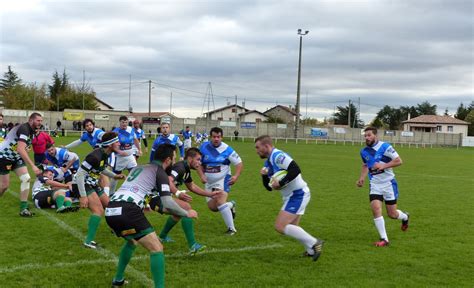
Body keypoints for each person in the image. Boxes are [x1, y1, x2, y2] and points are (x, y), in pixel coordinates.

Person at [105, 144, 198, 288]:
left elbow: (149, 195)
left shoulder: (138, 167)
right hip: (128, 210)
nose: (174, 161)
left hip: (111, 209)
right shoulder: (159, 171)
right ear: (168, 159)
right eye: (174, 158)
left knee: (132, 241)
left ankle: (118, 280)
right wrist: (187, 213)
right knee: (157, 248)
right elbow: (167, 202)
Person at [255, 135, 324, 261]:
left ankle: (314, 242)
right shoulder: (268, 162)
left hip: (297, 194)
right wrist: (264, 176)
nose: (256, 151)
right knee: (293, 226)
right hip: (291, 196)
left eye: (258, 147)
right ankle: (310, 250)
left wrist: (281, 183)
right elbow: (269, 188)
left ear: (266, 146)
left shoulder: (277, 156)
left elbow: (295, 169)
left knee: (280, 226)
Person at [158, 147, 223, 253]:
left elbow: (192, 186)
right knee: (186, 208)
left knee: (178, 213)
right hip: (156, 196)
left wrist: (210, 194)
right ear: (189, 158)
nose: (199, 163)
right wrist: (177, 193)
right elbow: (168, 180)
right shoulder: (180, 167)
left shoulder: (186, 169)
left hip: (161, 195)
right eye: (198, 159)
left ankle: (162, 237)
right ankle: (193, 246)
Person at [356, 127, 410, 247]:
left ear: (375, 135)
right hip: (375, 184)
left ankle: (405, 216)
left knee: (392, 214)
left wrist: (384, 166)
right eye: (365, 136)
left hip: (389, 183)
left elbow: (399, 161)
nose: (367, 138)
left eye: (369, 135)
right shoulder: (364, 151)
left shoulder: (385, 147)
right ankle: (384, 239)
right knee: (375, 209)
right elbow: (365, 165)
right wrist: (362, 178)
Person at [72, 132, 125, 249]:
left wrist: (114, 176)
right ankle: (88, 241)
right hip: (82, 184)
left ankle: (115, 229)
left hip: (92, 183)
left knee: (109, 206)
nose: (119, 143)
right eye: (117, 141)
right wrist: (83, 196)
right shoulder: (94, 156)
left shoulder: (105, 154)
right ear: (110, 144)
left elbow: (102, 168)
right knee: (98, 211)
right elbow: (80, 175)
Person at [198, 127, 242, 235]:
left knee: (219, 200)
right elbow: (198, 163)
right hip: (209, 181)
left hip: (223, 179)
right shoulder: (203, 147)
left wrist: (236, 176)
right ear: (210, 137)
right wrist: (201, 175)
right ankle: (230, 205)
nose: (216, 139)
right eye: (214, 137)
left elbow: (239, 163)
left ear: (222, 137)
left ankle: (231, 229)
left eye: (218, 137)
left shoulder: (228, 150)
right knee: (213, 207)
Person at [0, 112, 43, 216]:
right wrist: (33, 166)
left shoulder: (32, 131)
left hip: (16, 158)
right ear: (31, 120)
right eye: (38, 120)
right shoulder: (24, 128)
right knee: (4, 186)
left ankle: (24, 209)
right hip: (4, 157)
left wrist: (27, 148)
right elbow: (20, 149)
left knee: (26, 178)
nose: (40, 123)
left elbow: (23, 147)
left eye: (41, 121)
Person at [110, 116, 141, 194]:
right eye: (122, 122)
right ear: (119, 122)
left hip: (130, 156)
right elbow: (112, 145)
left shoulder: (131, 129)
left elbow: (135, 139)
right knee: (116, 176)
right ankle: (111, 193)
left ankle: (134, 191)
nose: (124, 124)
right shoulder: (115, 132)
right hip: (119, 157)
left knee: (135, 174)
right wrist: (119, 152)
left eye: (126, 122)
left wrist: (139, 149)